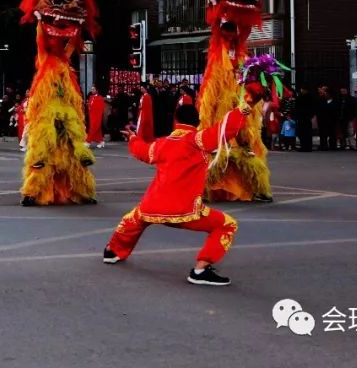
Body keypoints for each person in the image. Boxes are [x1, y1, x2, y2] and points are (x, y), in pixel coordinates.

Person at [101, 56, 288, 286]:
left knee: (133, 219)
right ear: (197, 122)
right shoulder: (198, 140)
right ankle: (201, 269)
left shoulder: (161, 144)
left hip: (152, 206)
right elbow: (226, 128)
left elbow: (141, 150)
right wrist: (247, 104)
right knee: (227, 224)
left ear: (175, 120)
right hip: (184, 210)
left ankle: (112, 251)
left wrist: (132, 138)